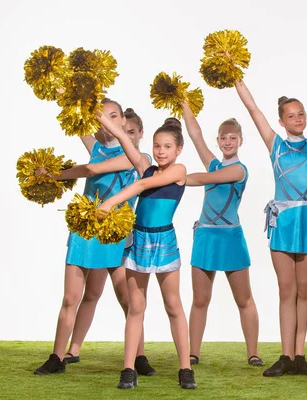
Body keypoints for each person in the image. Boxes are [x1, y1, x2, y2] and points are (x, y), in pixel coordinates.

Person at [234, 72, 307, 376]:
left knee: (303, 290)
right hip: (283, 223)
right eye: (291, 116)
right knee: (286, 290)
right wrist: (236, 78)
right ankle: (285, 355)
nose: (298, 119)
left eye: (301, 114)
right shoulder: (275, 145)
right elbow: (254, 109)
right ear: (282, 121)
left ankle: (300, 356)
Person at [34, 100, 154, 377]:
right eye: (103, 116)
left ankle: (139, 356)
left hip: (117, 234)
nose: (107, 121)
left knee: (129, 301)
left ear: (123, 121)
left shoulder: (134, 156)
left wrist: (53, 175)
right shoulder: (96, 147)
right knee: (70, 297)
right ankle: (57, 357)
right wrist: (65, 87)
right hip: (85, 231)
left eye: (113, 116)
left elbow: (90, 171)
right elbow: (74, 109)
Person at [97, 114, 195, 389]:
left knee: (173, 305)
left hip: (164, 241)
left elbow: (140, 186)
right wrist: (96, 111)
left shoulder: (180, 171)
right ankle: (128, 369)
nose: (160, 151)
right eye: (156, 146)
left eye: (166, 147)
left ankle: (185, 368)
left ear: (178, 149)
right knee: (136, 306)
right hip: (139, 240)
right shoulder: (145, 166)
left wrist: (110, 203)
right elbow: (122, 137)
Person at [181, 102, 263, 367]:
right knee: (200, 299)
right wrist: (183, 102)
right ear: (218, 140)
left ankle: (253, 353)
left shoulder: (239, 170)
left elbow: (206, 180)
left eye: (233, 138)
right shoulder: (214, 163)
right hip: (206, 236)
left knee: (244, 299)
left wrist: (176, 177)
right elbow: (195, 135)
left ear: (240, 140)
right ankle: (193, 352)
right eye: (223, 138)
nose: (228, 141)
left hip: (230, 237)